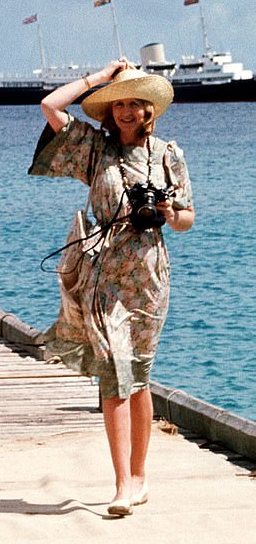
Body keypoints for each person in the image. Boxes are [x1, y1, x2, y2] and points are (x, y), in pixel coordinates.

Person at [29, 58, 194, 516]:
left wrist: (165, 210)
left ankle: (139, 477)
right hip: (103, 275)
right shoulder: (94, 149)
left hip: (149, 277)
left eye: (133, 103)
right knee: (114, 375)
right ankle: (121, 482)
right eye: (117, 103)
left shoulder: (168, 155)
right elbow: (49, 104)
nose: (125, 111)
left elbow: (187, 219)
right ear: (109, 110)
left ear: (148, 109)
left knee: (137, 376)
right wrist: (99, 78)